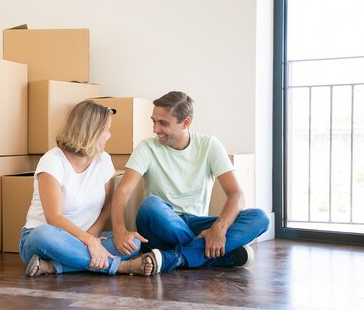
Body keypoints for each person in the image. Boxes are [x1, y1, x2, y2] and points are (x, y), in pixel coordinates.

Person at [111, 91, 269, 273]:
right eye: (153, 121)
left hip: (196, 224)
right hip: (160, 223)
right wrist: (119, 230)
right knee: (150, 205)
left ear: (186, 122)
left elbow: (237, 195)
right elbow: (122, 192)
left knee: (259, 218)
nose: (155, 129)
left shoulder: (209, 146)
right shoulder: (147, 147)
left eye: (163, 123)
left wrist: (219, 227)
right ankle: (218, 255)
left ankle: (177, 257)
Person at [20, 100, 156, 277]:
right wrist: (89, 241)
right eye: (107, 130)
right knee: (43, 234)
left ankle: (53, 267)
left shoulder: (104, 160)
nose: (109, 136)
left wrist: (91, 239)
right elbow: (54, 218)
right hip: (42, 239)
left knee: (132, 244)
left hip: (84, 238)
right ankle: (121, 267)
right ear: (92, 131)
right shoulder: (52, 161)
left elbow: (107, 207)